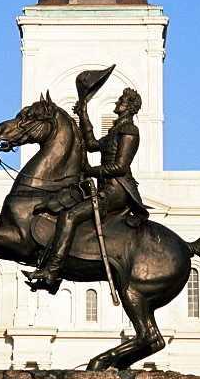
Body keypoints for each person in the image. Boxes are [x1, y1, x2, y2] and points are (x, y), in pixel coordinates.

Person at [25, 87, 148, 292]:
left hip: (116, 191)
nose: (118, 103)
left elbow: (121, 167)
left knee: (71, 216)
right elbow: (91, 144)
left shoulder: (129, 131)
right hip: (104, 188)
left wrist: (91, 170)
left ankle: (52, 271)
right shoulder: (116, 130)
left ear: (130, 107)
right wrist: (83, 113)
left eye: (122, 100)